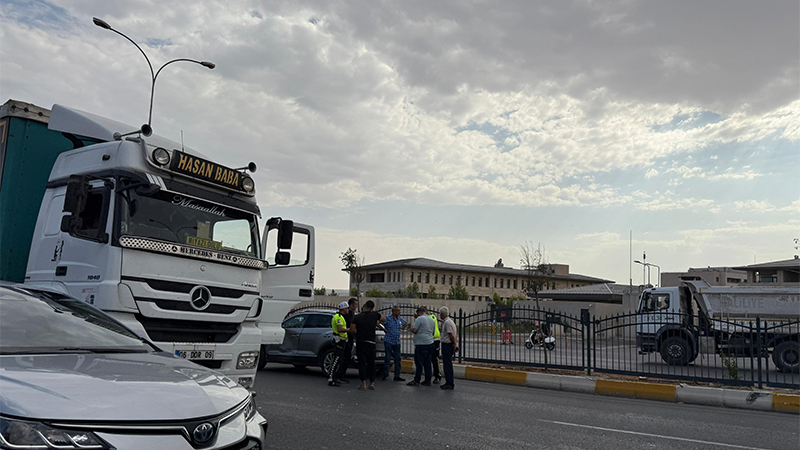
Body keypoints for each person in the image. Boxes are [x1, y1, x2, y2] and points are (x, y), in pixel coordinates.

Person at [352, 300, 386, 391]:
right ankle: (372, 383)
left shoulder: (357, 317)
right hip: (371, 342)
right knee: (371, 363)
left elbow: (352, 329)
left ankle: (363, 383)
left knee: (362, 363)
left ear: (364, 305)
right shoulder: (375, 315)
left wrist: (357, 332)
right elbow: (384, 319)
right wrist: (375, 322)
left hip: (361, 342)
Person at [407, 307, 435, 386]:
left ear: (418, 313)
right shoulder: (431, 320)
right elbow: (433, 333)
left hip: (421, 344)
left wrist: (411, 327)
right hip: (430, 343)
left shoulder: (419, 319)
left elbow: (415, 330)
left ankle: (417, 380)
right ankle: (427, 380)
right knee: (428, 363)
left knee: (419, 363)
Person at [328, 301, 351, 387]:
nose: (348, 310)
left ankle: (335, 378)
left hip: (342, 340)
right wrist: (349, 330)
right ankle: (332, 379)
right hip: (339, 341)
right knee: (336, 360)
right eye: (347, 308)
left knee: (339, 360)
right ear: (344, 308)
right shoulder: (338, 317)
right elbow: (340, 329)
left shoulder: (341, 317)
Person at [335, 297, 358, 383]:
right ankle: (338, 375)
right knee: (342, 358)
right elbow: (343, 328)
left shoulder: (352, 314)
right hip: (344, 338)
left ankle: (342, 375)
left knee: (347, 358)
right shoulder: (343, 316)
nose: (356, 307)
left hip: (350, 338)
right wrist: (350, 330)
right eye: (355, 305)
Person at [382, 305, 408, 381]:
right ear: (393, 311)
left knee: (398, 359)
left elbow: (406, 323)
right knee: (388, 358)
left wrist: (402, 328)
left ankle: (397, 375)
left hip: (397, 341)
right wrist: (384, 330)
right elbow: (379, 323)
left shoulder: (399, 319)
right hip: (389, 341)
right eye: (398, 311)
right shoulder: (388, 318)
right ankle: (385, 374)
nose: (399, 312)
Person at [438, 306, 459, 390]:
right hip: (448, 344)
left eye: (440, 314)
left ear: (442, 314)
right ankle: (448, 382)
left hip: (447, 345)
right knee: (447, 364)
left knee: (447, 365)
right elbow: (454, 335)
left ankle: (449, 383)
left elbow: (451, 335)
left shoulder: (447, 322)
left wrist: (454, 344)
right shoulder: (450, 321)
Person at [424, 306, 442, 384]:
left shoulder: (431, 317)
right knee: (428, 359)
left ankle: (437, 376)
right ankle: (429, 376)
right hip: (428, 340)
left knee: (435, 359)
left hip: (435, 340)